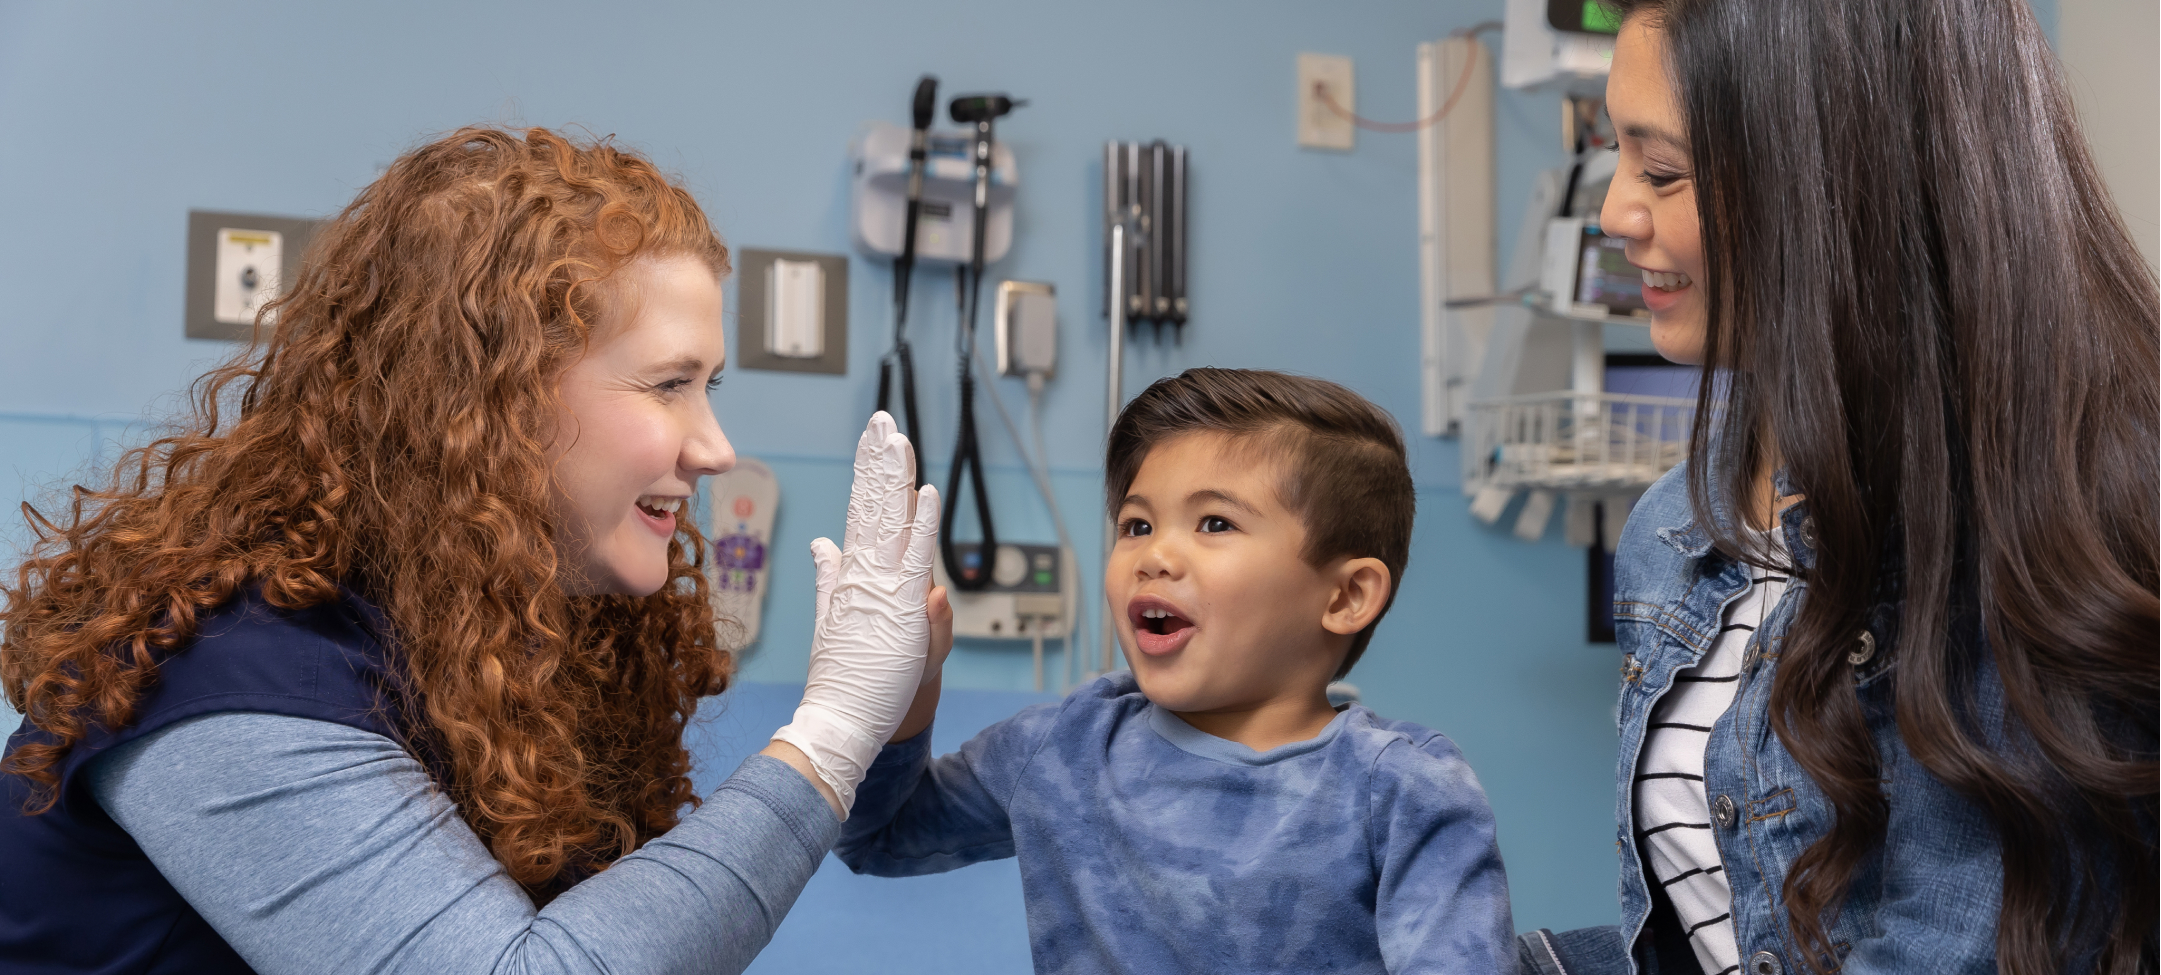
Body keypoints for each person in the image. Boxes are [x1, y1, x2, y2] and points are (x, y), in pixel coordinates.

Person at [0, 126, 955, 975]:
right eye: (668, 385)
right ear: (489, 407)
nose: (714, 447)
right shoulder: (233, 677)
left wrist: (891, 707)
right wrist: (831, 729)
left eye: (709, 385)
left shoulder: (498, 636)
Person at [1516, 2, 2157, 974]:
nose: (1614, 214)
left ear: (1837, 185)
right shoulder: (1675, 526)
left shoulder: (2044, 529)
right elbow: (1726, 938)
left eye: (1662, 172)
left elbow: (1960, 948)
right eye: (1617, 156)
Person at [835, 368, 1517, 974]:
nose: (1154, 556)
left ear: (1345, 597)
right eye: (1136, 525)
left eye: (1214, 523)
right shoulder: (1064, 747)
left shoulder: (1401, 790)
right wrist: (910, 682)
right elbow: (876, 835)